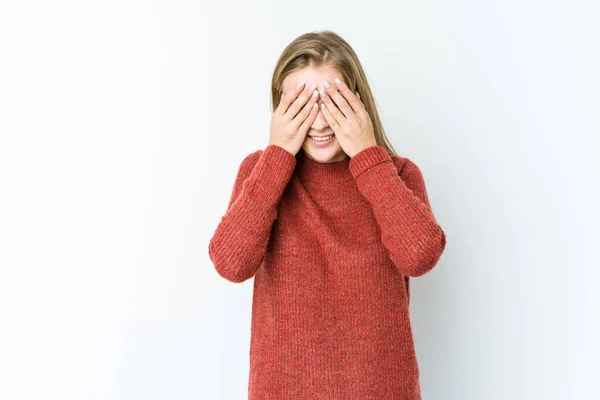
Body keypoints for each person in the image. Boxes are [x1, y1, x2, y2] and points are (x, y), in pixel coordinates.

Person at [208, 30, 447, 400]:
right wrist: (277, 154)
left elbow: (419, 257)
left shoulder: (397, 175)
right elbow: (230, 263)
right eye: (302, 106)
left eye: (332, 103)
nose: (319, 123)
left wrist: (368, 155)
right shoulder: (260, 172)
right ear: (279, 109)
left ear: (358, 102)